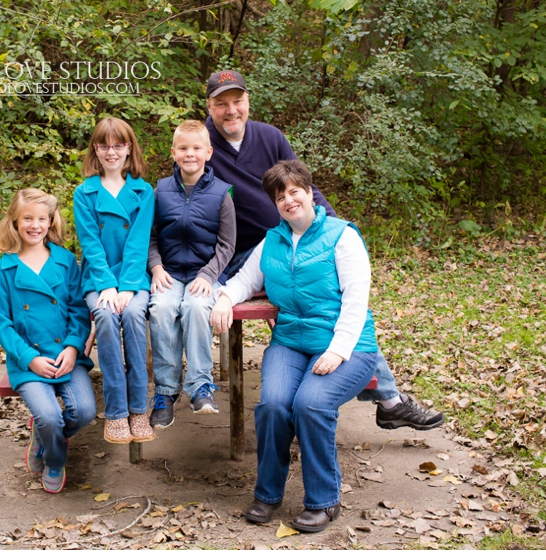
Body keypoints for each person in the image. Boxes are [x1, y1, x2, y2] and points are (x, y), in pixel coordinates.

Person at [203, 69, 444, 431]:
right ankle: (365, 397)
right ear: (210, 106)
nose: (231, 110)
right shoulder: (201, 145)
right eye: (221, 104)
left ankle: (389, 400)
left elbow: (303, 188)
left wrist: (331, 231)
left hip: (296, 241)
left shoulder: (270, 137)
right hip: (240, 253)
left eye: (237, 101)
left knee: (329, 303)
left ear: (248, 101)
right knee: (297, 312)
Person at [210, 160, 380, 532]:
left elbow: (356, 300)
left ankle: (323, 501)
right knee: (272, 405)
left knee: (311, 404)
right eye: (280, 196)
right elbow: (243, 280)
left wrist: (337, 351)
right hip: (290, 343)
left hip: (347, 346)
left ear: (309, 192)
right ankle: (267, 495)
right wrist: (224, 299)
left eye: (294, 191)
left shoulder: (342, 236)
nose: (288, 201)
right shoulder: (272, 240)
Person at [0, 188, 96, 494]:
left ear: (51, 222)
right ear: (14, 221)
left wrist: (74, 348)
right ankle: (54, 458)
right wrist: (29, 358)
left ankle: (44, 436)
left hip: (66, 354)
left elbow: (79, 310)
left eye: (42, 219)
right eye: (27, 219)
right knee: (49, 416)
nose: (35, 225)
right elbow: (3, 325)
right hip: (29, 360)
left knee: (85, 411)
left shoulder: (65, 261)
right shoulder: (4, 270)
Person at [147, 120, 236, 428]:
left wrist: (208, 275)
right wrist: (156, 267)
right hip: (168, 273)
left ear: (208, 152)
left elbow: (227, 244)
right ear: (173, 152)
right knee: (160, 308)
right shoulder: (159, 191)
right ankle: (166, 390)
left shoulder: (222, 194)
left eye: (197, 148)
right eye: (183, 148)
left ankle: (200, 385)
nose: (190, 154)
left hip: (205, 275)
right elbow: (150, 237)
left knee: (196, 307)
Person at [73, 117, 156, 445]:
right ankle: (117, 411)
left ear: (129, 148)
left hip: (133, 278)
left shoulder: (143, 190)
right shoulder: (85, 192)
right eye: (104, 145)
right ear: (96, 149)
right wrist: (107, 286)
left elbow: (138, 241)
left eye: (118, 145)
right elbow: (90, 243)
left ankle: (139, 408)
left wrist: (127, 286)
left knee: (135, 315)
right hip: (97, 279)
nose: (111, 152)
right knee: (105, 316)